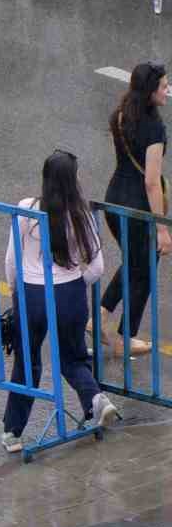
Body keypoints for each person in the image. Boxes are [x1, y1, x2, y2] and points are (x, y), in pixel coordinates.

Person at [1, 151, 122, 454]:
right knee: (72, 358)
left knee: (27, 362)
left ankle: (13, 433)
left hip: (31, 294)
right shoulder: (81, 216)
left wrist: (16, 293)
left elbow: (12, 261)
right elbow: (96, 268)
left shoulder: (26, 210)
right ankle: (96, 400)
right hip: (69, 294)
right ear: (73, 181)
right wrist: (76, 286)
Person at [100, 61, 170, 358]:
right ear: (150, 91)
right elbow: (152, 182)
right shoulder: (155, 128)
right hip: (137, 209)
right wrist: (162, 228)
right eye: (164, 86)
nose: (167, 91)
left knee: (134, 263)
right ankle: (125, 337)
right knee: (144, 270)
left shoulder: (119, 115)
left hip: (114, 199)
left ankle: (99, 316)